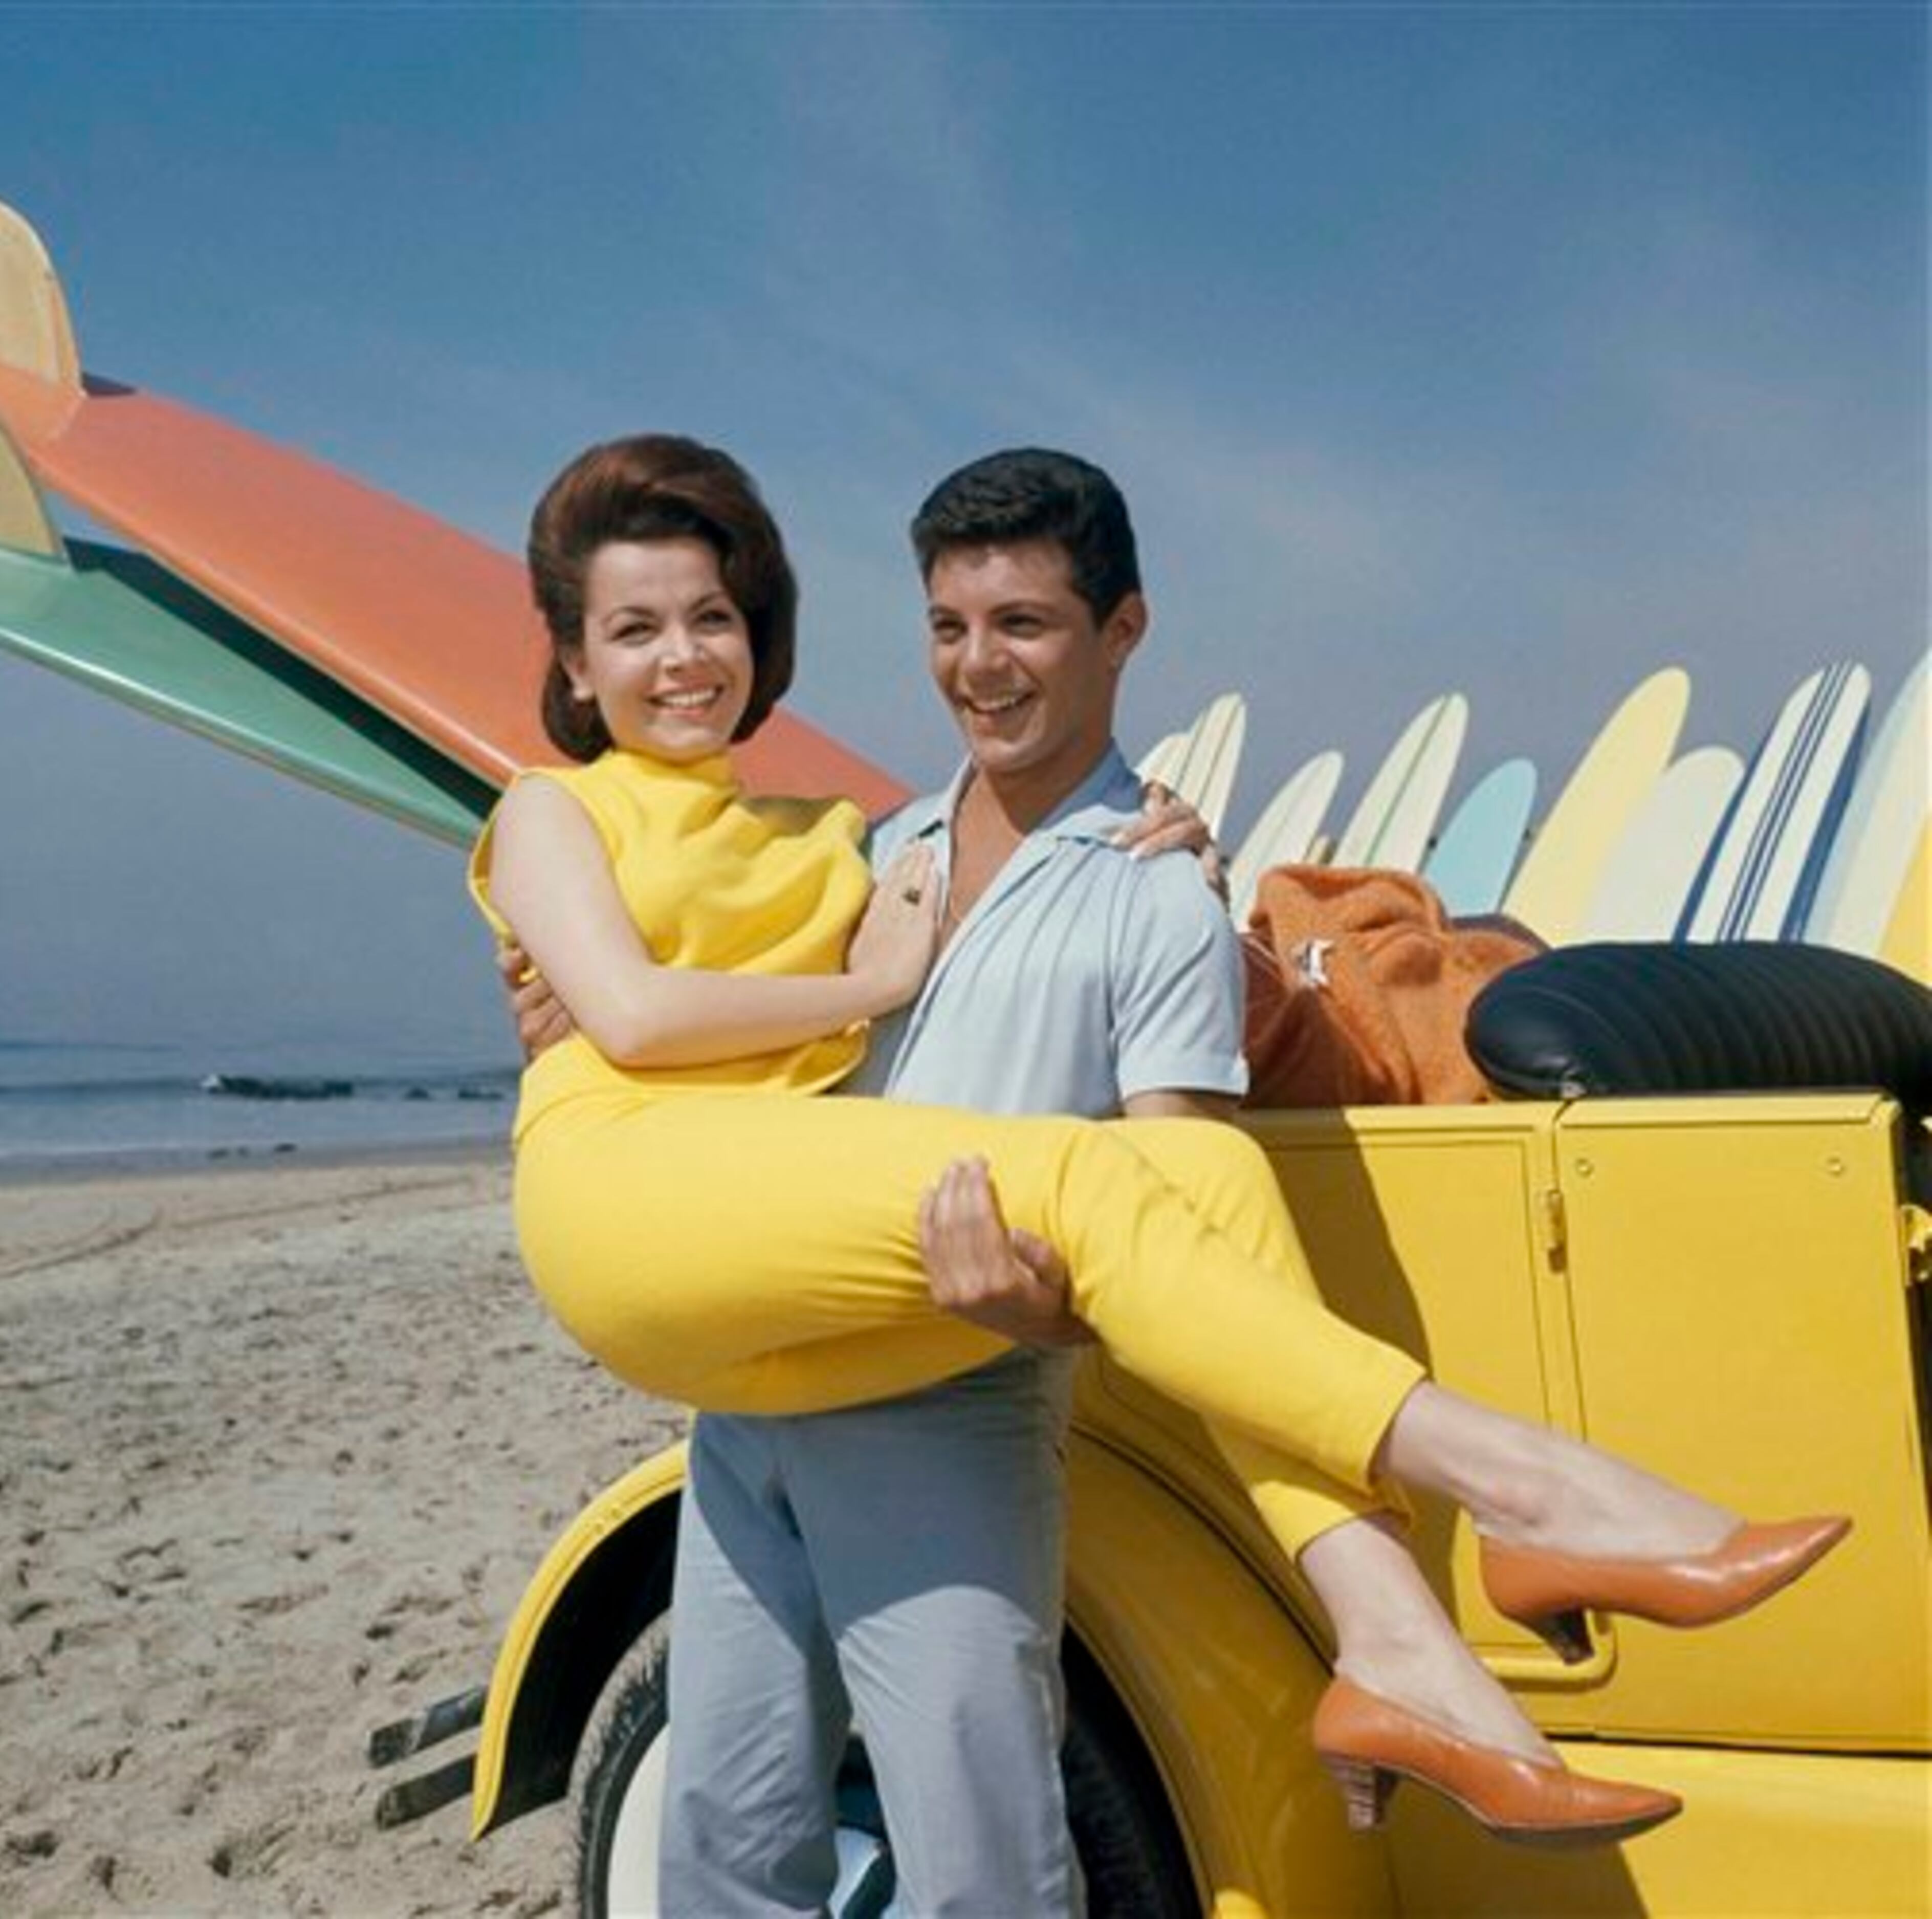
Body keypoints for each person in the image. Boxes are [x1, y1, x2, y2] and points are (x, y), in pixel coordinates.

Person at [474, 434, 1847, 1877]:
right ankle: (1454, 1553)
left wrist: (1037, 1305)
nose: (981, 668)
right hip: (759, 1371)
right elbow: (683, 986)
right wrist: (563, 1000)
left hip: (947, 1392)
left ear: (1122, 632)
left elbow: (1184, 1196)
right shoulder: (878, 849)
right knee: (722, 1828)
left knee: (981, 1859)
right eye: (950, 628)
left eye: (1025, 626)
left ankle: (1478, 1531)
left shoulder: (1157, 894)